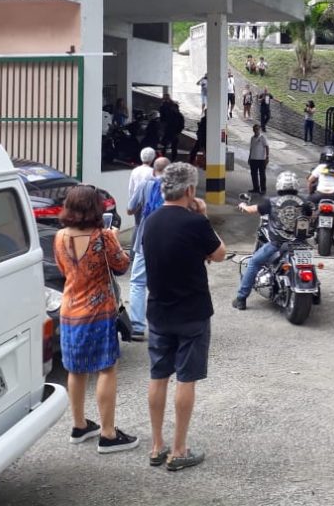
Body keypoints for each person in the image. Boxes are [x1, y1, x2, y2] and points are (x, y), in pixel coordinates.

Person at [139, 163, 226, 471]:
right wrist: (202, 215)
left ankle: (156, 445)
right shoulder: (195, 223)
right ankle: (178, 450)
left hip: (158, 310)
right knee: (186, 378)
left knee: (158, 375)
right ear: (189, 190)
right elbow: (220, 253)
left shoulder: (150, 221)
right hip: (192, 312)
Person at [53, 185, 138, 453]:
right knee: (106, 368)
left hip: (69, 310)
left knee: (76, 369)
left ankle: (79, 425)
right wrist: (115, 239)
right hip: (98, 312)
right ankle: (108, 434)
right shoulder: (103, 237)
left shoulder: (59, 237)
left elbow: (63, 268)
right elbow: (122, 266)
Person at [233, 171, 310, 309]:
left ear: (279, 185)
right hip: (299, 244)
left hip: (277, 244)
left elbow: (251, 210)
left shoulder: (271, 202)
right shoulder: (304, 202)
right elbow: (311, 216)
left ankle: (241, 298)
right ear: (296, 185)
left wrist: (243, 206)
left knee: (254, 262)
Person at [127, 157, 170, 340]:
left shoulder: (145, 185)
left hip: (145, 239)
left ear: (153, 170)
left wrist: (142, 208)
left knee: (138, 283)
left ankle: (137, 327)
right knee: (166, 282)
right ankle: (164, 325)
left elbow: (130, 209)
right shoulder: (176, 188)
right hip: (169, 240)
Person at [248, 124, 269, 193]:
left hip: (261, 160)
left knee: (262, 175)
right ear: (253, 130)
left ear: (259, 130)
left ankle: (263, 189)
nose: (256, 130)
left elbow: (267, 147)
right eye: (254, 129)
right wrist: (249, 157)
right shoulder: (252, 138)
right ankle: (256, 188)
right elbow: (251, 148)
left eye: (257, 129)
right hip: (253, 159)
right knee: (254, 175)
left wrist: (267, 157)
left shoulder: (262, 137)